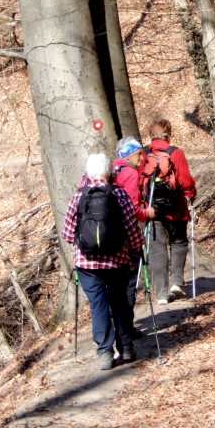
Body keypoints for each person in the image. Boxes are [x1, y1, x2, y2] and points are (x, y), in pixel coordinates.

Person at [61, 152, 144, 370]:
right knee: (119, 303)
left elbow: (68, 234)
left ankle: (105, 353)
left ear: (88, 173)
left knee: (99, 306)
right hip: (116, 261)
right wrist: (137, 247)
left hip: (87, 264)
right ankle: (126, 349)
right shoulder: (120, 195)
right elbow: (132, 230)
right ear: (108, 172)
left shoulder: (79, 196)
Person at [140, 119, 197, 305]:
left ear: (151, 134)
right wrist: (191, 194)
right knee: (179, 242)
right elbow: (185, 180)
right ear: (168, 134)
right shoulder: (175, 153)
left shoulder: (144, 153)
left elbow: (139, 180)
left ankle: (162, 294)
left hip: (152, 208)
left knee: (157, 250)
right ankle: (176, 282)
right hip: (175, 207)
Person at [112, 137, 155, 339]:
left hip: (111, 238)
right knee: (129, 283)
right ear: (128, 154)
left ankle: (120, 327)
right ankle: (126, 329)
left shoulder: (113, 171)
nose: (142, 157)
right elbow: (132, 210)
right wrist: (148, 213)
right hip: (127, 238)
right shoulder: (129, 174)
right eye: (139, 153)